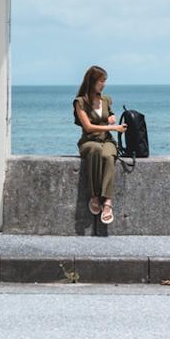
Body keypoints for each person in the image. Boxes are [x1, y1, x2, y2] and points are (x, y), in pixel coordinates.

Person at [73, 65, 125, 225]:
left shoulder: (106, 99)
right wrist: (113, 127)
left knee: (108, 156)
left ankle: (107, 201)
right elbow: (88, 127)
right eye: (101, 81)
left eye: (105, 81)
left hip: (107, 140)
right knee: (95, 150)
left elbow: (109, 113)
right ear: (92, 81)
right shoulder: (80, 102)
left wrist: (112, 117)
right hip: (89, 141)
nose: (104, 84)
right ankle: (95, 196)